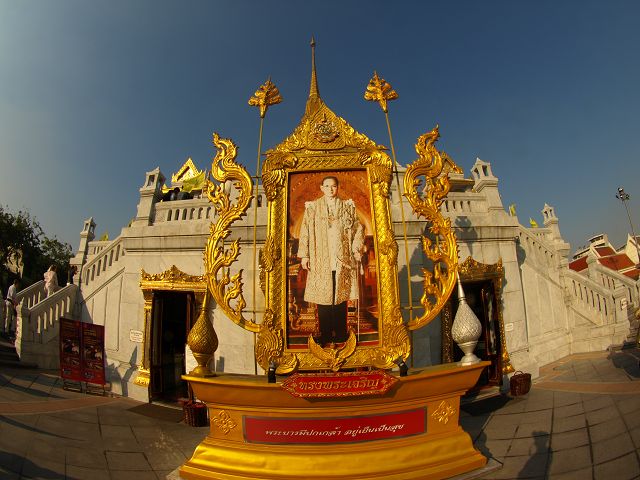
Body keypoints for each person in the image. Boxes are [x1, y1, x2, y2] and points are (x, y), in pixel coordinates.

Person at [297, 176, 364, 346]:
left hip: (342, 258)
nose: (330, 189)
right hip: (320, 257)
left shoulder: (347, 206)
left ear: (338, 187)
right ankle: (326, 333)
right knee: (324, 297)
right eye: (327, 186)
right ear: (321, 188)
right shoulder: (313, 208)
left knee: (340, 296)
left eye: (333, 186)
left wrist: (356, 248)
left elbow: (358, 228)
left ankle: (340, 333)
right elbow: (305, 231)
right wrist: (305, 255)